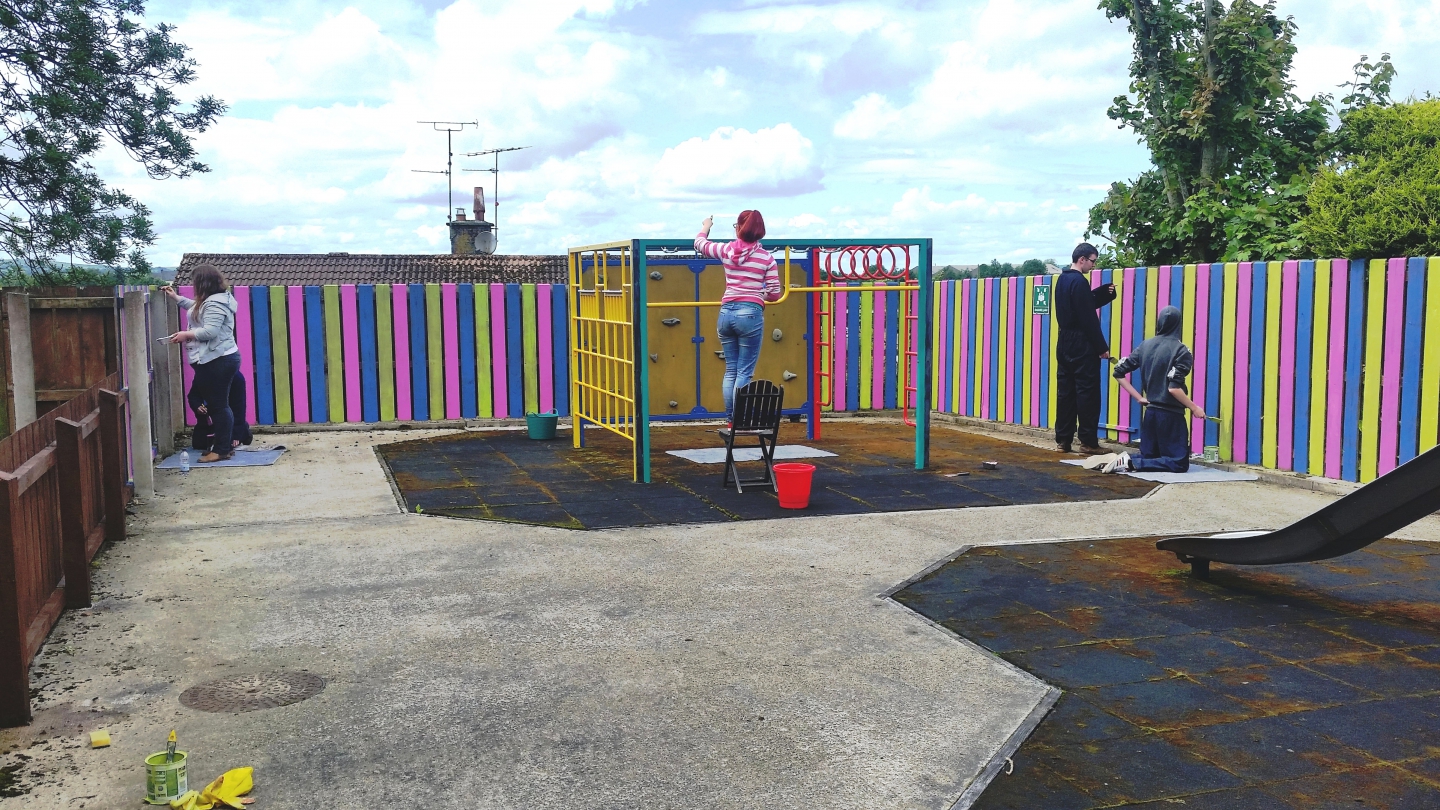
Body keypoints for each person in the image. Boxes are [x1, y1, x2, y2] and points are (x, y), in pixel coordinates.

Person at [694, 210, 782, 415]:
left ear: (739, 229)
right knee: (744, 372)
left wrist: (706, 226)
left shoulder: (725, 250)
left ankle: (731, 420)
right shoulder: (766, 259)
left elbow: (699, 244)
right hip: (750, 314)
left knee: (731, 370)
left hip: (726, 313)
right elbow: (775, 294)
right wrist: (761, 294)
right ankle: (742, 420)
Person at [1102, 305, 1206, 473]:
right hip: (1171, 415)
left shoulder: (1145, 345)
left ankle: (1122, 459)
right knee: (1179, 463)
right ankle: (1131, 463)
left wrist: (1138, 397)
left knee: (1151, 456)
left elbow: (1119, 372)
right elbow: (1174, 388)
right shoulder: (1182, 351)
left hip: (1150, 414)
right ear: (1178, 324)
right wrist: (1194, 408)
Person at [162, 264, 242, 463]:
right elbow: (196, 309)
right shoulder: (211, 301)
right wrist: (176, 298)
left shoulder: (214, 303)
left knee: (218, 406)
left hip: (218, 360)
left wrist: (185, 335)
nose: (193, 285)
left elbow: (209, 332)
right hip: (216, 359)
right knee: (219, 405)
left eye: (195, 281)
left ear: (203, 283)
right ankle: (223, 447)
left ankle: (222, 449)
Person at [1053, 242, 1116, 453]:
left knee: (1066, 392)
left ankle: (1063, 439)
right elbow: (1088, 317)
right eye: (1092, 261)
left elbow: (1079, 305)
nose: (1093, 266)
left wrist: (1102, 294)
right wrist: (1101, 347)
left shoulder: (1062, 280)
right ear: (1082, 259)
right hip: (1082, 343)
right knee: (1087, 392)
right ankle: (1088, 441)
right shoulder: (1080, 282)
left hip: (1064, 341)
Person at [188, 371, 253, 456]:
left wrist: (236, 433)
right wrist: (197, 406)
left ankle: (244, 430)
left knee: (228, 443)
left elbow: (239, 407)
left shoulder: (236, 378)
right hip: (210, 418)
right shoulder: (202, 374)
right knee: (199, 444)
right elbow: (193, 396)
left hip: (230, 419)